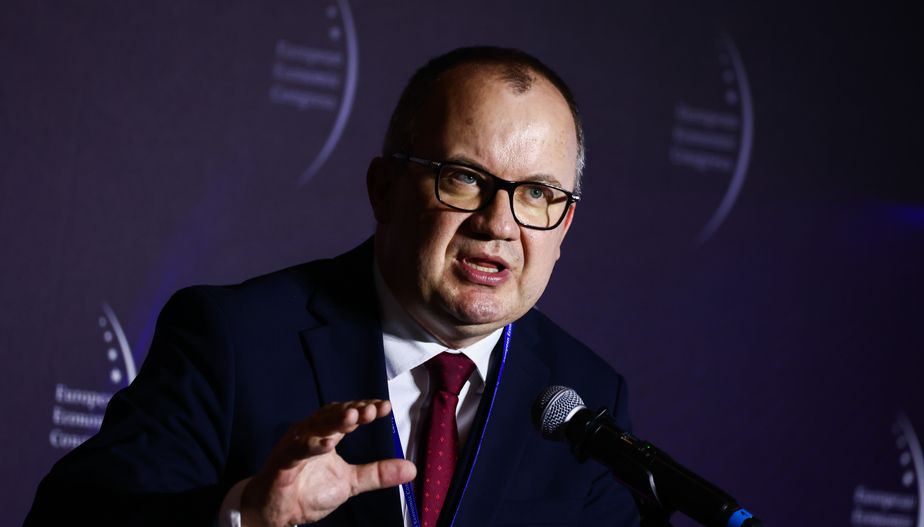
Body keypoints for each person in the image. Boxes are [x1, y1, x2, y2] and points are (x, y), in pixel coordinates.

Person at [26, 46, 640, 527]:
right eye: (462, 178)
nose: (499, 224)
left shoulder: (585, 398)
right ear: (384, 190)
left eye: (538, 193)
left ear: (566, 224)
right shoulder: (232, 342)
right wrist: (242, 514)